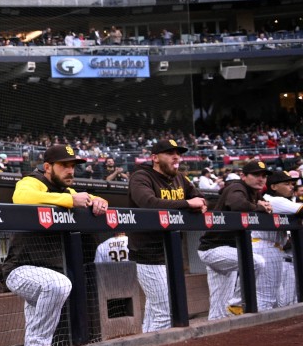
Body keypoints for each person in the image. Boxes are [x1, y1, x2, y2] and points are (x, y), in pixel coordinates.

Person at [3, 144, 108, 346]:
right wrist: (70, 200)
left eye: (72, 166)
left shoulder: (65, 189)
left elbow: (88, 199)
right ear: (48, 167)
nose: (70, 170)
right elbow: (21, 198)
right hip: (19, 270)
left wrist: (98, 200)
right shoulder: (33, 180)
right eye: (64, 166)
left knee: (45, 302)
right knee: (59, 284)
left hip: (45, 274)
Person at [126, 139, 208, 332]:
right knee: (166, 309)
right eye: (170, 153)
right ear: (155, 158)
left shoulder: (180, 178)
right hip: (147, 254)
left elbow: (200, 198)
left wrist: (198, 203)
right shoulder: (141, 177)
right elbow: (148, 203)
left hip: (171, 252)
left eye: (178, 153)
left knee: (156, 310)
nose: (176, 157)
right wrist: (188, 205)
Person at [197, 160, 271, 320]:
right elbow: (237, 204)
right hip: (214, 249)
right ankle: (237, 303)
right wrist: (259, 207)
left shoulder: (255, 192)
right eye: (256, 175)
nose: (261, 179)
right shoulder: (237, 187)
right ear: (244, 176)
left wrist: (263, 205)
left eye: (264, 176)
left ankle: (215, 336)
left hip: (227, 251)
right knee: (257, 262)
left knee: (219, 308)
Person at [257, 170, 302, 308]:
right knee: (266, 298)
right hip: (265, 247)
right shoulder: (275, 199)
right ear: (274, 187)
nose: (291, 187)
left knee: (276, 300)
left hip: (273, 248)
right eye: (286, 184)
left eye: (292, 184)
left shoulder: (275, 199)